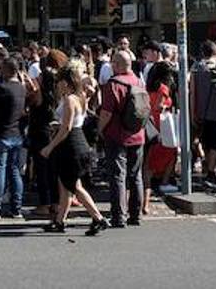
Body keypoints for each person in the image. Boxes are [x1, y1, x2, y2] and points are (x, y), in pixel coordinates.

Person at [40, 60, 108, 236]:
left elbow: (67, 127)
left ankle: (98, 217)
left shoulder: (70, 99)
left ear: (65, 82)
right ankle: (59, 221)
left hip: (70, 146)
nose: (57, 86)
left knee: (75, 186)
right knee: (65, 185)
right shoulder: (80, 97)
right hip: (77, 143)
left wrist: (50, 146)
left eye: (59, 82)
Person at [97, 49, 145, 228]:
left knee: (118, 176)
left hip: (117, 135)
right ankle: (136, 215)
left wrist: (100, 129)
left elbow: (107, 112)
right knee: (136, 176)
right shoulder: (139, 82)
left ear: (117, 65)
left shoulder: (113, 84)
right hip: (138, 134)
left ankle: (119, 216)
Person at [0, 56, 27, 219]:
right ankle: (16, 208)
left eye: (2, 68)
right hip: (16, 134)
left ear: (7, 70)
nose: (0, 71)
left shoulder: (2, 88)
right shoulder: (22, 88)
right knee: (14, 171)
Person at [190, 40, 216, 187]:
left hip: (201, 113)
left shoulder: (196, 68)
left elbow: (192, 93)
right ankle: (210, 172)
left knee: (206, 142)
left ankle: (208, 168)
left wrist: (192, 112)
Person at [26, 50, 64, 218]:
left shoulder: (39, 93)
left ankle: (44, 203)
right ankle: (55, 203)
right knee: (53, 169)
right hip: (52, 129)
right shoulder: (58, 92)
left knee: (41, 169)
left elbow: (31, 103)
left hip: (39, 131)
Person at [142, 61, 177, 212]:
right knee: (171, 152)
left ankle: (145, 196)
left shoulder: (148, 87)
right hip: (161, 125)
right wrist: (167, 107)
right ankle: (163, 182)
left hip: (150, 125)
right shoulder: (163, 88)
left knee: (149, 160)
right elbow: (159, 106)